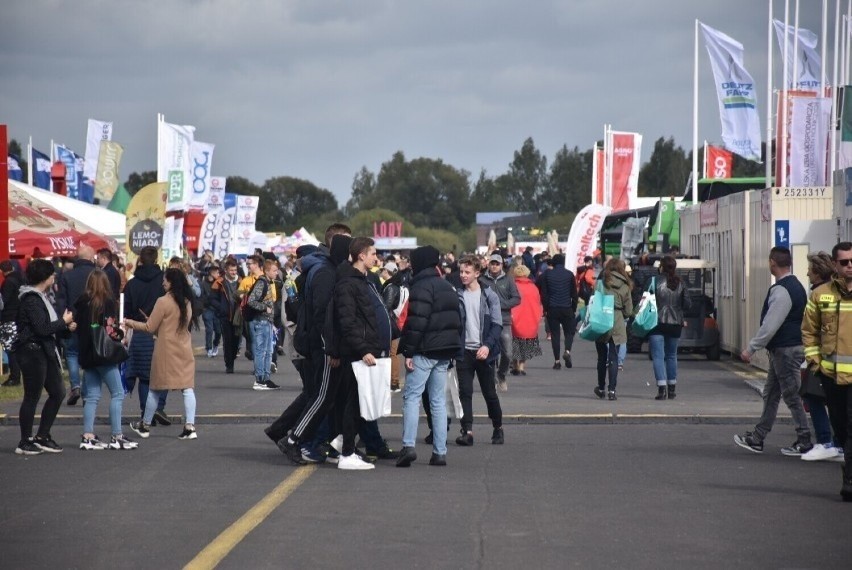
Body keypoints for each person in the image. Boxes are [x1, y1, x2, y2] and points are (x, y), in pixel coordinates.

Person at [735, 247, 813, 457]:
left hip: (785, 350)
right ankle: (757, 438)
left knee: (791, 395)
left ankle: (804, 440)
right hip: (788, 348)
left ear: (772, 263)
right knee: (771, 393)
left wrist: (751, 348)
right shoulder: (796, 286)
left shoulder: (782, 290)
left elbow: (771, 325)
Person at [321, 237, 390, 470]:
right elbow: (347, 322)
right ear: (361, 255)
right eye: (373, 253)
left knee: (358, 403)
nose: (376, 257)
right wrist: (363, 350)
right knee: (354, 403)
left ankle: (345, 445)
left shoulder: (361, 281)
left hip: (362, 350)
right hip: (356, 353)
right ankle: (347, 453)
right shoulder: (348, 284)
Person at [396, 245, 462, 467]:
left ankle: (408, 446)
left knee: (412, 398)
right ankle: (439, 451)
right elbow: (457, 321)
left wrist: (408, 351)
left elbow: (416, 323)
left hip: (424, 350)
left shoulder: (420, 288)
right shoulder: (448, 286)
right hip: (445, 351)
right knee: (437, 402)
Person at [802, 241, 852, 500]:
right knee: (841, 429)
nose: (850, 266)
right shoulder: (821, 295)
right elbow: (809, 332)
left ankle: (849, 482)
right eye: (844, 262)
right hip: (832, 377)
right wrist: (815, 364)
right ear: (835, 265)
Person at [127, 268, 199, 441]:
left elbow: (149, 327)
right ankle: (190, 426)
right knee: (187, 388)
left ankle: (145, 425)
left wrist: (129, 322)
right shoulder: (187, 301)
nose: (162, 282)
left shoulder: (163, 301)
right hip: (184, 349)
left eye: (165, 280)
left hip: (165, 351)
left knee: (155, 389)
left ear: (171, 282)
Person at [14, 259, 76, 455]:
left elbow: (50, 326)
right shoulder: (31, 299)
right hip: (32, 351)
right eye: (51, 274)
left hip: (45, 350)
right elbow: (42, 328)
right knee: (32, 396)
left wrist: (65, 326)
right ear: (44, 277)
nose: (54, 277)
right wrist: (63, 322)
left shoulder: (42, 296)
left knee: (58, 392)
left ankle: (42, 435)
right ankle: (25, 441)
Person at [74, 270, 138, 450]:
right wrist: (121, 333)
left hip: (87, 354)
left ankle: (87, 435)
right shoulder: (107, 302)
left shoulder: (82, 303)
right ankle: (116, 434)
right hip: (104, 355)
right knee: (117, 393)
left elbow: (78, 328)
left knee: (92, 396)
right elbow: (109, 329)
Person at [454, 255, 504, 446]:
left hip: (484, 352)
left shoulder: (489, 295)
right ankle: (467, 431)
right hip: (464, 352)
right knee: (464, 392)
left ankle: (498, 428)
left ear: (477, 273)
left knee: (489, 393)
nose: (463, 275)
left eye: (467, 272)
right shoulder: (458, 295)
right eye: (461, 272)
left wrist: (487, 346)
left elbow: (497, 324)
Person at [800, 252, 843, 462]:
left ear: (816, 272)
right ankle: (837, 443)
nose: (807, 272)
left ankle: (828, 442)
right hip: (831, 360)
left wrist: (813, 361)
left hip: (825, 361)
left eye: (809, 269)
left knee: (815, 398)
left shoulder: (819, 294)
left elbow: (810, 329)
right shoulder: (833, 291)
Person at [123, 246, 169, 426]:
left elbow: (125, 310)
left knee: (143, 375)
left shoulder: (132, 284)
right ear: (156, 259)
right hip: (161, 331)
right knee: (162, 372)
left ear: (140, 260)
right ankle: (159, 407)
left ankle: (146, 410)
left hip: (139, 330)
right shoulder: (164, 283)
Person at [55, 243, 97, 406]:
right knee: (88, 357)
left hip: (71, 321)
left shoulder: (67, 276)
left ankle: (75, 386)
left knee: (71, 354)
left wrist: (67, 321)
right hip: (91, 322)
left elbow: (61, 301)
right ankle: (86, 392)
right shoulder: (96, 274)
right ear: (90, 257)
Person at [648, 255, 692, 400]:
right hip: (675, 324)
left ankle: (662, 389)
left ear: (661, 267)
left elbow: (644, 301)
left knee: (658, 356)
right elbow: (687, 304)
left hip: (656, 322)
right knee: (672, 355)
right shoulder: (681, 283)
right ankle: (672, 388)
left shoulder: (654, 281)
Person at [593, 258, 633, 401]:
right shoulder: (625, 286)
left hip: (601, 319)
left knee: (601, 357)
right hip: (617, 320)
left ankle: (601, 387)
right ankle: (612, 391)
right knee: (614, 358)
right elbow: (629, 311)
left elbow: (593, 301)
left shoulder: (601, 283)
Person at [481, 253, 521, 392]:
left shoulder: (508, 280)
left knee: (508, 353)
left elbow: (516, 298)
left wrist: (501, 304)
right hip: (488, 321)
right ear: (488, 264)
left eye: (497, 264)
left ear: (501, 265)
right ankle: (491, 379)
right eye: (492, 263)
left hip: (504, 321)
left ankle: (502, 374)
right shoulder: (482, 280)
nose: (494, 266)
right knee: (490, 353)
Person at [538, 253, 579, 370]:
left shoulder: (547, 275)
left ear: (553, 263)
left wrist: (546, 309)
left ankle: (557, 361)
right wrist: (573, 308)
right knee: (569, 332)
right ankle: (567, 350)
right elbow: (574, 294)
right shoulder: (569, 275)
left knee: (555, 335)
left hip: (553, 308)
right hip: (567, 308)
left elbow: (544, 294)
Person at [246, 259, 280, 390]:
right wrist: (265, 308)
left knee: (268, 351)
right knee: (261, 351)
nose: (276, 273)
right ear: (266, 271)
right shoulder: (261, 283)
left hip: (268, 322)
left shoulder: (268, 282)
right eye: (274, 271)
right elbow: (251, 301)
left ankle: (266, 378)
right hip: (261, 321)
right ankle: (259, 379)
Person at [509, 264, 543, 377]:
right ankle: (522, 366)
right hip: (530, 317)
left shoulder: (513, 286)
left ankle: (515, 365)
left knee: (515, 341)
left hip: (515, 316)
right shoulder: (533, 287)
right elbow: (538, 303)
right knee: (526, 341)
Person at [209, 259, 241, 374]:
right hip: (225, 316)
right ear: (226, 270)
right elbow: (212, 299)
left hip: (238, 316)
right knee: (227, 340)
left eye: (235, 270)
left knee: (236, 340)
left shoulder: (241, 281)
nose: (233, 272)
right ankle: (229, 364)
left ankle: (232, 356)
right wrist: (221, 307)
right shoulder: (219, 282)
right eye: (231, 270)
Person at [1, 259, 24, 387]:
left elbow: (3, 302)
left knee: (10, 349)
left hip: (9, 318)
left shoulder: (8, 282)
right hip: (18, 318)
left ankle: (14, 377)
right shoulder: (20, 280)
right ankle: (17, 375)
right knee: (16, 348)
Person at [200, 264, 222, 358]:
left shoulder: (219, 283)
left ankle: (215, 345)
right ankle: (209, 348)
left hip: (217, 310)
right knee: (209, 330)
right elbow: (201, 296)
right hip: (207, 309)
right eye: (216, 272)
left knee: (218, 331)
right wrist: (207, 301)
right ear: (211, 273)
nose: (218, 274)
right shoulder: (203, 283)